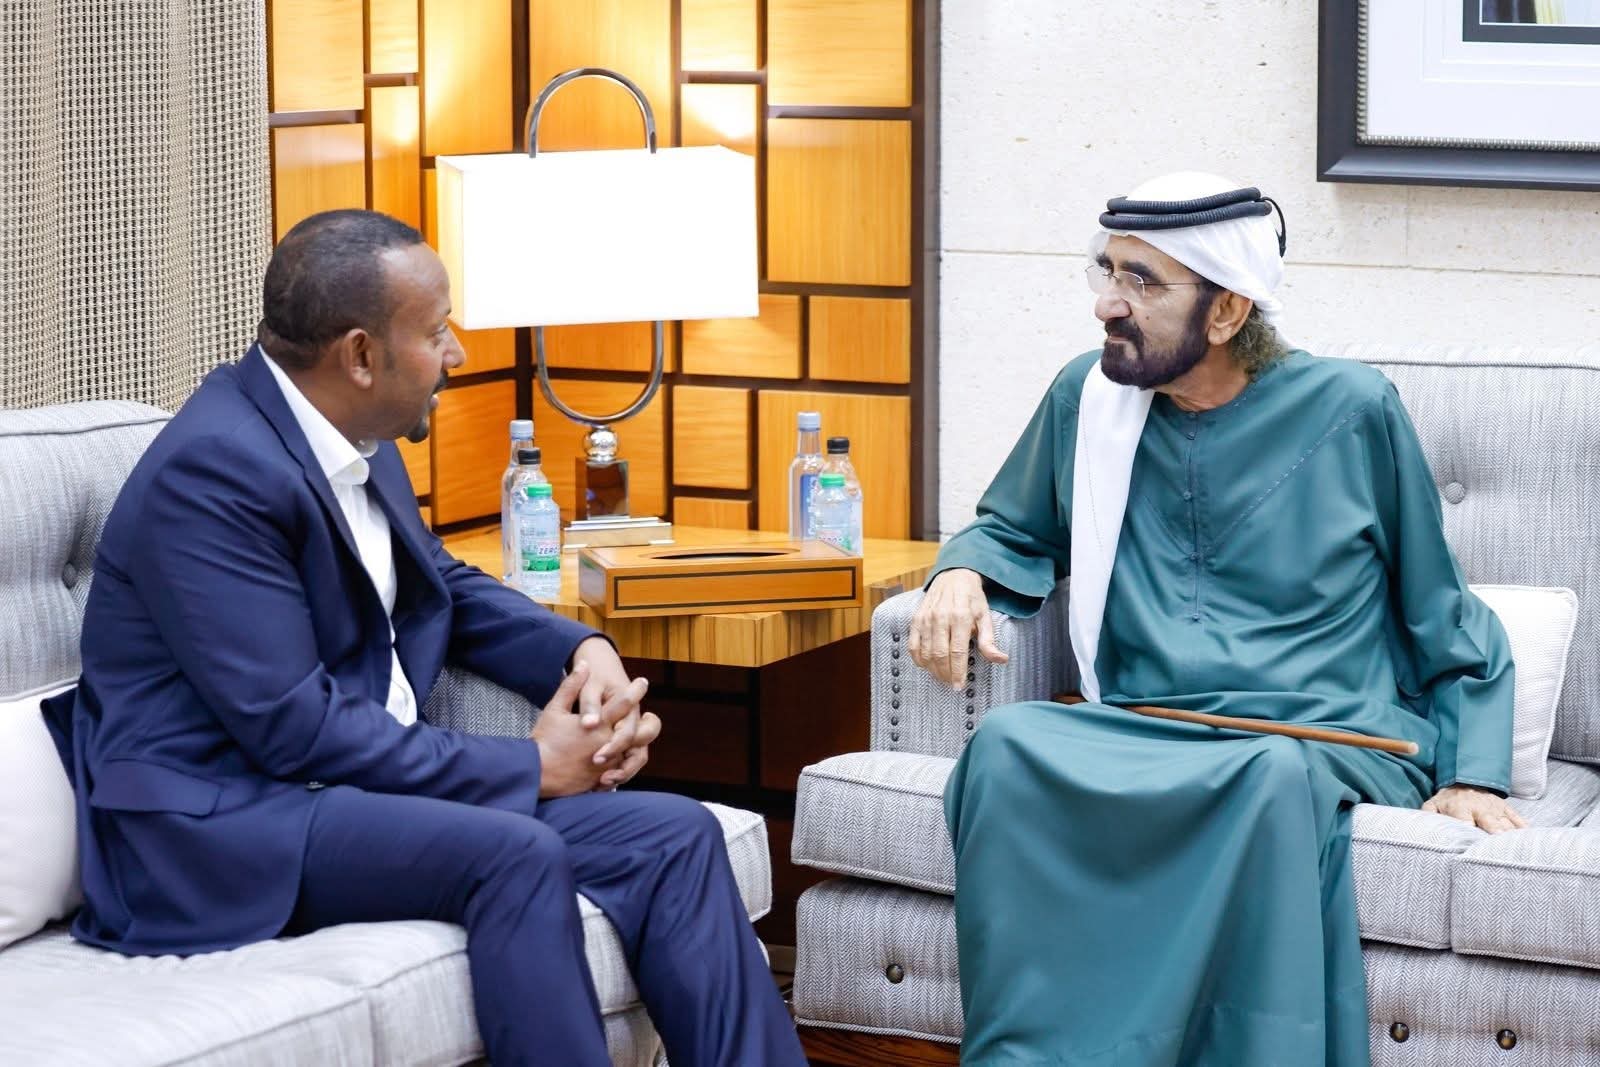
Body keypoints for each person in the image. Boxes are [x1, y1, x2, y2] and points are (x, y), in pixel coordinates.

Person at [42, 209, 807, 1067]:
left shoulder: (355, 429)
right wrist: (533, 766)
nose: (459, 353)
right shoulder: (214, 472)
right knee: (514, 851)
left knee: (675, 835)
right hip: (222, 824)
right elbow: (293, 725)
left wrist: (579, 650)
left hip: (341, 792)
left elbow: (438, 581)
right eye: (438, 330)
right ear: (361, 355)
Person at [909, 172, 1525, 1066]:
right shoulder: (1088, 398)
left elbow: (1443, 608)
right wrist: (962, 570)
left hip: (1319, 734)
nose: (1108, 304)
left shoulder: (1352, 408)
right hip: (1143, 720)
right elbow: (1012, 526)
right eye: (1107, 271)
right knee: (1006, 747)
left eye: (1142, 281)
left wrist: (1474, 773)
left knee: (1266, 777)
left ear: (1229, 310)